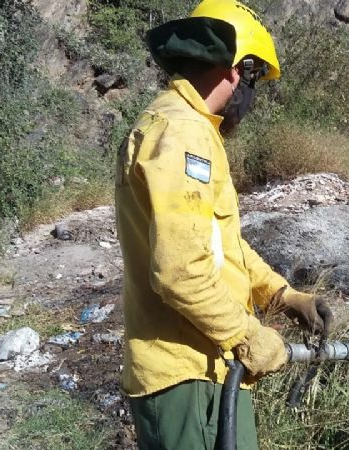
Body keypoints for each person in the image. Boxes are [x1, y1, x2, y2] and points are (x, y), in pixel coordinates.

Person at [114, 1, 333, 449]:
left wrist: (282, 295)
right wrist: (247, 335)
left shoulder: (182, 124)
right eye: (255, 80)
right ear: (237, 70)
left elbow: (220, 244)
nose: (250, 97)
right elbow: (180, 272)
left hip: (203, 371)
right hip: (189, 373)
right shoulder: (184, 134)